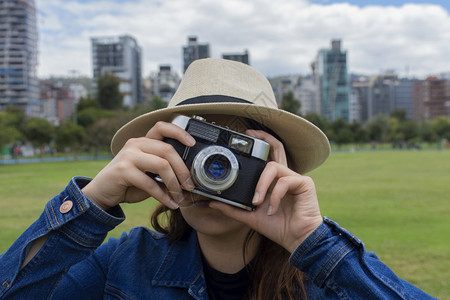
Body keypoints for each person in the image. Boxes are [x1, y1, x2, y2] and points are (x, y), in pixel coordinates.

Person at [0, 58, 436, 299]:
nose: (214, 166)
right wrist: (92, 206)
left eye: (237, 152)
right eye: (195, 146)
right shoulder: (123, 264)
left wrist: (314, 243)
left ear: (278, 163)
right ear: (161, 150)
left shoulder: (324, 277)